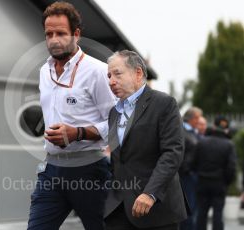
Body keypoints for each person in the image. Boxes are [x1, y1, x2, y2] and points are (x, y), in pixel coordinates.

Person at [27, 2, 115, 230]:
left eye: (61, 33)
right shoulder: (43, 71)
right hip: (52, 170)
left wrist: (78, 133)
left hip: (90, 169)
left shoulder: (97, 71)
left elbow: (117, 123)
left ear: (76, 34)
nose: (54, 39)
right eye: (49, 34)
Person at [104, 50, 188, 230]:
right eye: (109, 75)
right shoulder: (113, 113)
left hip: (156, 210)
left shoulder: (164, 103)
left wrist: (150, 193)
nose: (111, 81)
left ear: (138, 73)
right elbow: (120, 159)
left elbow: (172, 153)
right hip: (118, 209)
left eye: (117, 73)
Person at [194, 116, 237, 230]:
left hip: (202, 182)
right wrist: (227, 181)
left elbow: (193, 162)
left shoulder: (201, 142)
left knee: (201, 213)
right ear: (226, 129)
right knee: (218, 215)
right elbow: (231, 167)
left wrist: (199, 174)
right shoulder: (228, 144)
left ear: (213, 126)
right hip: (219, 183)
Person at [179, 107, 202, 230]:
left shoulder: (193, 132)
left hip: (192, 174)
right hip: (185, 175)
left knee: (192, 208)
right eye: (197, 118)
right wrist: (187, 170)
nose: (199, 121)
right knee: (188, 207)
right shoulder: (182, 131)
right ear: (192, 118)